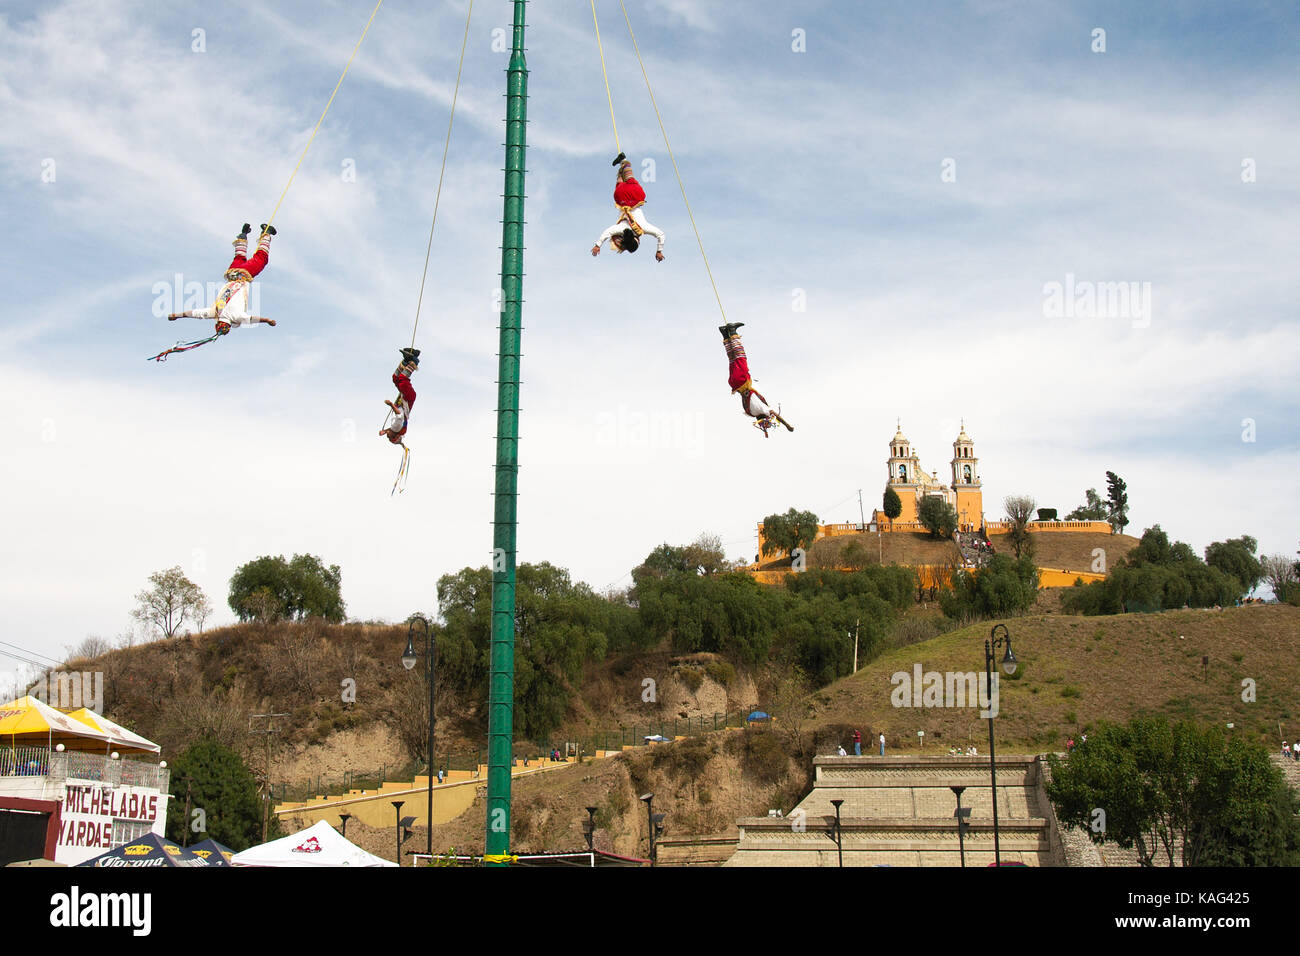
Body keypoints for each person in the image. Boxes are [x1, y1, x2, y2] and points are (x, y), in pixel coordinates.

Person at [167, 223, 278, 334]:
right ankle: (243, 235)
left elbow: (252, 319)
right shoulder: (214, 312)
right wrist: (176, 315)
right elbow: (194, 313)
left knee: (261, 259)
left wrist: (268, 320)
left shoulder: (235, 316)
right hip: (233, 271)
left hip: (245, 274)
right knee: (239, 257)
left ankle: (266, 233)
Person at [591, 153, 665, 261]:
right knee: (620, 187)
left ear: (638, 241)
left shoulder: (643, 228)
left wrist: (659, 251)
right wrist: (598, 245)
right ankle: (621, 166)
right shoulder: (622, 230)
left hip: (635, 196)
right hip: (621, 197)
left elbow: (661, 235)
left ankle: (624, 161)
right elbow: (608, 232)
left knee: (630, 179)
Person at [719, 323, 788, 436]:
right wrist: (765, 431)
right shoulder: (751, 412)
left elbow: (772, 413)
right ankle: (725, 334)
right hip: (735, 383)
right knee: (732, 359)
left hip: (742, 381)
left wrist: (783, 423)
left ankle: (732, 331)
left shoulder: (761, 409)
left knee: (740, 356)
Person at [380, 349, 421, 445]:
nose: (387, 436)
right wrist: (390, 404)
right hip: (407, 398)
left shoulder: (396, 429)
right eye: (389, 437)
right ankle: (414, 361)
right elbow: (399, 414)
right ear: (394, 435)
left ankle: (406, 360)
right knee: (402, 380)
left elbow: (392, 429)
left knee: (396, 379)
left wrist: (385, 431)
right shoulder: (397, 427)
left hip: (407, 397)